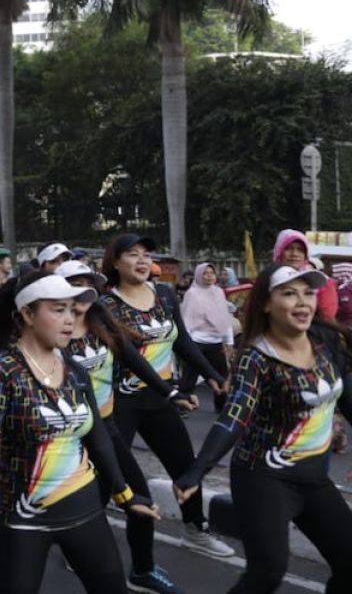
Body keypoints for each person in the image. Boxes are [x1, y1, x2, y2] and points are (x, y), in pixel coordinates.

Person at [0, 272, 160, 593]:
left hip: (84, 508)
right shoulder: (3, 371)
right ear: (28, 315)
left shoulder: (74, 369)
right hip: (23, 515)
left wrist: (123, 494)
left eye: (73, 311)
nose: (70, 320)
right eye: (58, 310)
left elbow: (96, 434)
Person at [174, 264, 352, 593]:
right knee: (268, 570)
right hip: (264, 477)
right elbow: (235, 416)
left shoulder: (324, 342)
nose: (302, 302)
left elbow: (348, 396)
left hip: (314, 477)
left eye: (308, 293)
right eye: (289, 293)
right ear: (267, 304)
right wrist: (198, 470)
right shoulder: (256, 356)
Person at [60, 259, 198, 594]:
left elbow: (133, 358)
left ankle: (142, 569)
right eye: (73, 284)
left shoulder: (99, 320)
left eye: (88, 284)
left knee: (139, 498)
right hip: (66, 438)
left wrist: (169, 392)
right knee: (75, 505)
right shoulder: (52, 332)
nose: (83, 292)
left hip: (105, 428)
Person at [99, 234, 236, 559]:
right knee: (111, 477)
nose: (143, 260)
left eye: (147, 254)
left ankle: (195, 530)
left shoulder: (163, 294)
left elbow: (182, 342)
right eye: (133, 254)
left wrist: (214, 375)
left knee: (185, 467)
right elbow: (128, 355)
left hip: (160, 401)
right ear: (115, 262)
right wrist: (173, 392)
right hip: (120, 403)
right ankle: (88, 543)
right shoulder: (104, 305)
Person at [180, 263, 236, 411]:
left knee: (221, 375)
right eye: (205, 273)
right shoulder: (191, 294)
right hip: (196, 340)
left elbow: (224, 317)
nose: (209, 276)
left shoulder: (218, 292)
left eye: (212, 273)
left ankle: (222, 405)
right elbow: (187, 318)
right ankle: (183, 404)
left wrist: (228, 341)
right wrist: (188, 344)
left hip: (216, 340)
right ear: (199, 275)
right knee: (189, 375)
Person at [274, 229, 339, 322]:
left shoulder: (321, 281)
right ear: (279, 251)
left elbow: (327, 316)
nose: (294, 254)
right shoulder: (267, 279)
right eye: (288, 248)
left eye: (300, 250)